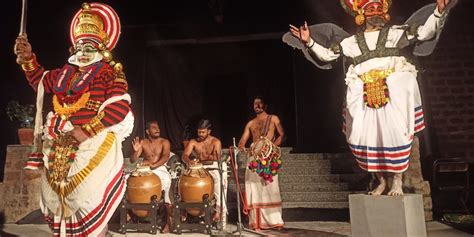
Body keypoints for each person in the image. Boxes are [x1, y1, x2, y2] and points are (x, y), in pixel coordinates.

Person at [288, 0, 453, 196]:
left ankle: (398, 181)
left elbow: (424, 32)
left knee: (395, 132)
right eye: (371, 9)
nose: (375, 12)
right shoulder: (350, 43)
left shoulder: (396, 33)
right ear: (362, 14)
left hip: (392, 91)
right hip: (364, 93)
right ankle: (381, 180)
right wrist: (309, 41)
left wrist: (438, 12)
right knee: (365, 136)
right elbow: (327, 55)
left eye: (378, 8)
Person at [13, 3, 133, 236]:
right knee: (56, 197)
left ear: (101, 47)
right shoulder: (64, 73)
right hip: (59, 143)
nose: (83, 50)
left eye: (89, 45)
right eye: (79, 45)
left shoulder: (110, 72)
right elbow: (40, 81)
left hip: (92, 142)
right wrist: (27, 58)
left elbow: (119, 108)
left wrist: (85, 131)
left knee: (88, 196)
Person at [238, 96, 285, 231]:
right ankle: (257, 222)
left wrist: (271, 148)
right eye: (254, 104)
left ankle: (275, 221)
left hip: (269, 156)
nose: (256, 106)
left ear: (265, 105)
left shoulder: (273, 118)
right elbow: (243, 141)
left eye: (259, 103)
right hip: (254, 157)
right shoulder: (250, 123)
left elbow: (282, 134)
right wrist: (242, 147)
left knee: (270, 187)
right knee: (254, 188)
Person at [182, 119, 227, 224]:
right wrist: (189, 161)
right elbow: (184, 155)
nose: (201, 134)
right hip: (200, 166)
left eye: (203, 132)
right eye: (199, 132)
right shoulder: (193, 142)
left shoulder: (216, 141)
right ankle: (185, 210)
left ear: (209, 131)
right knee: (185, 180)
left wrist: (206, 157)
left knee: (218, 183)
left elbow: (217, 157)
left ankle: (219, 212)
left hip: (213, 165)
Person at [131, 120, 173, 233]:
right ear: (147, 131)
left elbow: (165, 157)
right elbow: (133, 160)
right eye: (154, 127)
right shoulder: (143, 142)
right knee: (128, 181)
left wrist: (154, 166)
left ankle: (167, 221)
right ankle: (131, 213)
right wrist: (135, 151)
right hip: (144, 170)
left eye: (158, 127)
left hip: (159, 168)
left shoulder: (164, 142)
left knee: (166, 183)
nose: (157, 129)